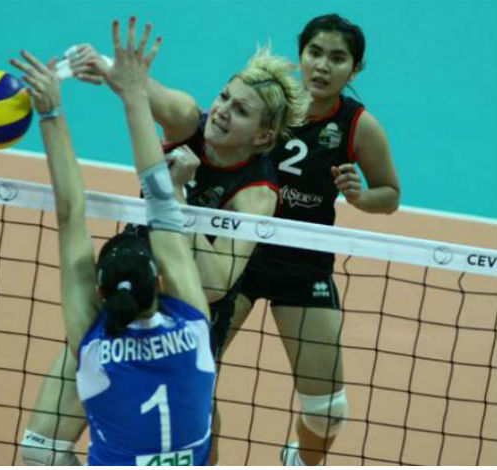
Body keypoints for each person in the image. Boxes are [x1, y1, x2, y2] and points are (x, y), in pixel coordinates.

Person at [20, 22, 311, 466]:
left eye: (241, 111)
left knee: (194, 437)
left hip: (187, 312)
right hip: (130, 285)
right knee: (39, 450)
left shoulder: (257, 193)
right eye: (225, 96)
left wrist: (180, 196)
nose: (222, 111)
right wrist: (103, 63)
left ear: (263, 136)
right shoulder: (188, 116)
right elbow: (138, 89)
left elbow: (213, 284)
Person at [11, 19, 216, 466]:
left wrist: (50, 111)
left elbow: (71, 213)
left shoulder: (93, 344)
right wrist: (135, 94)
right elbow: (155, 199)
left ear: (100, 294)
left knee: (39, 452)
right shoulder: (193, 326)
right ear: (160, 281)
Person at [221, 14, 401, 466]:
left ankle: (298, 460)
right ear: (300, 54)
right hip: (239, 256)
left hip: (304, 266)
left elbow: (390, 194)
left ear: (355, 69)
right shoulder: (268, 104)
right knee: (187, 373)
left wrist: (360, 197)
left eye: (337, 58)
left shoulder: (358, 125)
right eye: (315, 53)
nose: (322, 66)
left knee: (328, 413)